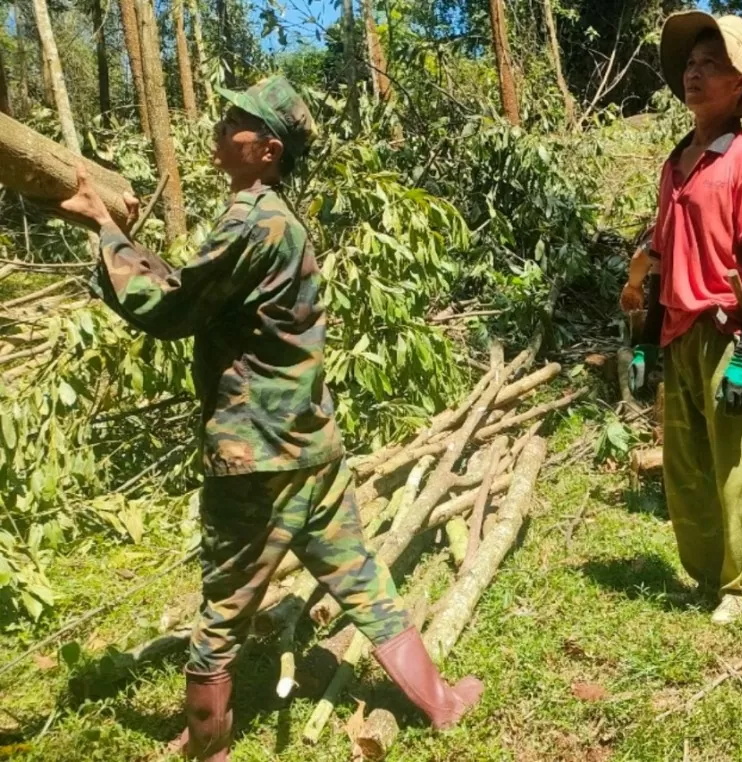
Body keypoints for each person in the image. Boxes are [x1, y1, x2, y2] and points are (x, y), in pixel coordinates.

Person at [59, 76, 481, 760]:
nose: (221, 130)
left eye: (237, 124)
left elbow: (169, 309)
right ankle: (440, 702)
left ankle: (209, 749)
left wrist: (104, 230)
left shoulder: (254, 220)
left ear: (268, 150)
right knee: (361, 576)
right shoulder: (272, 218)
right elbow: (197, 294)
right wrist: (124, 238)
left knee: (223, 609)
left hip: (256, 457)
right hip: (309, 447)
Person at [627, 12, 742, 625]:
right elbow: (662, 258)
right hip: (677, 330)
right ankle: (706, 574)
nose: (694, 74)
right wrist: (643, 342)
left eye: (710, 65)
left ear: (740, 85)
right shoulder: (676, 163)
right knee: (687, 464)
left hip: (725, 332)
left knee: (737, 463)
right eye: (691, 64)